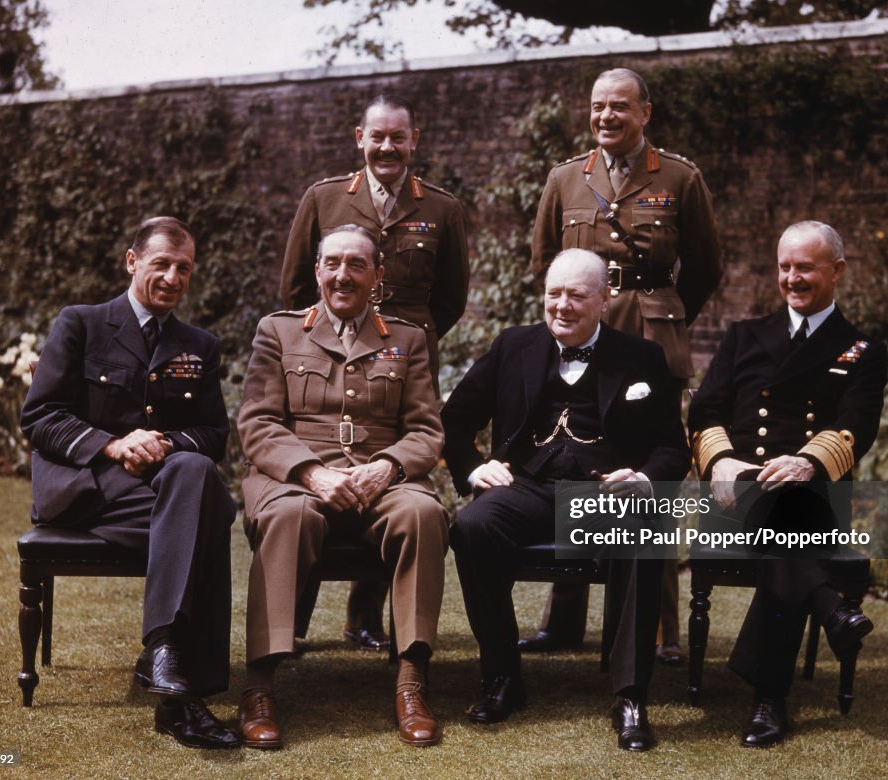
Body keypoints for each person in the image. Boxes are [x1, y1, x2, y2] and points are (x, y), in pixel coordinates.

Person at [442, 249, 690, 751]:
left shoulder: (641, 358)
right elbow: (454, 418)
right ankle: (503, 677)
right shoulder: (513, 346)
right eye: (554, 294)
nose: (563, 305)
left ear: (604, 300)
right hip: (525, 488)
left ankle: (629, 695)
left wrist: (643, 478)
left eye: (577, 295)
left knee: (645, 527)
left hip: (603, 494)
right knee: (472, 527)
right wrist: (472, 469)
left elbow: (672, 446)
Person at [524, 67, 723, 657]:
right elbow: (544, 264)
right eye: (597, 107)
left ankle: (659, 631)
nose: (606, 116)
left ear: (645, 112)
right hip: (583, 336)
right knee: (572, 459)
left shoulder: (680, 178)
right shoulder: (566, 179)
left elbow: (706, 267)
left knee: (649, 475)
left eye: (619, 107)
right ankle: (563, 621)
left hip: (651, 335)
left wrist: (664, 314)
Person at [20, 216, 239, 750]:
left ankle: (164, 654)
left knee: (192, 472)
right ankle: (185, 695)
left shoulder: (200, 345)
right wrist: (113, 444)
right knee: (210, 512)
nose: (172, 277)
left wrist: (162, 443)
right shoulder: (82, 323)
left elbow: (212, 434)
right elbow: (40, 416)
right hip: (86, 490)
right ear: (132, 260)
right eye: (161, 263)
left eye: (183, 268)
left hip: (156, 494)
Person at [237, 225, 449, 749]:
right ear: (316, 271)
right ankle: (260, 684)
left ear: (377, 276)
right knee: (290, 517)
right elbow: (258, 424)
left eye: (357, 265)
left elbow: (426, 430)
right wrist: (312, 473)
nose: (342, 275)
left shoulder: (407, 338)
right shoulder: (279, 331)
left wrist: (387, 467)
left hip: (380, 481)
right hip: (298, 479)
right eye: (332, 263)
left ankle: (410, 681)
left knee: (422, 514)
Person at [279, 93, 469, 653]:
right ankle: (291, 616)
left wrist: (401, 342)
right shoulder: (325, 198)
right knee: (323, 472)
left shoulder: (442, 208)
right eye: (377, 137)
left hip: (400, 360)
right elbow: (294, 288)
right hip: (326, 352)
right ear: (357, 138)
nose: (387, 147)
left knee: (390, 476)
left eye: (398, 138)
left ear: (415, 142)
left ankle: (365, 615)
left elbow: (451, 298)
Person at [688, 220, 888, 747]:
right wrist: (722, 462)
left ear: (836, 271)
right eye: (784, 266)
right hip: (737, 493)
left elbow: (856, 427)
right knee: (787, 525)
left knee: (789, 519)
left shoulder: (862, 349)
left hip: (809, 494)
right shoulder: (744, 336)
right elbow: (704, 411)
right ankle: (829, 613)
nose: (792, 278)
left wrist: (806, 463)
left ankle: (769, 698)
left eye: (805, 267)